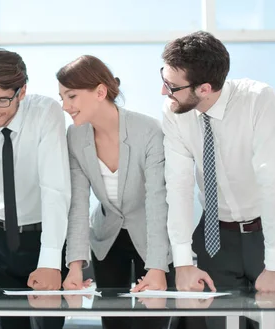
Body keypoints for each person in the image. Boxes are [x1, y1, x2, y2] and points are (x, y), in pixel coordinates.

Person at [161, 31, 275, 329]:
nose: (164, 92)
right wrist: (184, 262)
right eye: (163, 78)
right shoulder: (175, 112)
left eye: (171, 86)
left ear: (205, 88)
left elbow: (273, 181)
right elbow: (179, 187)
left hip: (267, 232)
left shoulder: (258, 100)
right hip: (214, 238)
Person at [57, 55, 175, 329]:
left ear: (100, 92)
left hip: (150, 235)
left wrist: (157, 267)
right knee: (114, 322)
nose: (65, 106)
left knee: (153, 322)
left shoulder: (147, 131)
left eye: (71, 96)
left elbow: (158, 201)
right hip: (107, 237)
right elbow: (78, 204)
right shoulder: (74, 137)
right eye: (62, 97)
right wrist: (75, 265)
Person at [0, 48, 70, 329]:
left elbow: (55, 188)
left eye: (2, 100)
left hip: (42, 237)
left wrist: (50, 260)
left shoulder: (45, 113)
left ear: (21, 92)